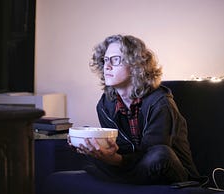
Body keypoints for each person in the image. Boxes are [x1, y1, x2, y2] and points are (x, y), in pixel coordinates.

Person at [69, 34, 200, 185]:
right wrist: (95, 148)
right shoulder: (105, 105)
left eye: (115, 60)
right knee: (88, 144)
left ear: (136, 65)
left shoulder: (160, 103)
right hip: (131, 166)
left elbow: (150, 154)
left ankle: (117, 179)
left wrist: (116, 161)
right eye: (105, 60)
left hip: (171, 171)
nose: (107, 66)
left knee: (160, 155)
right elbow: (120, 148)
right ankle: (123, 178)